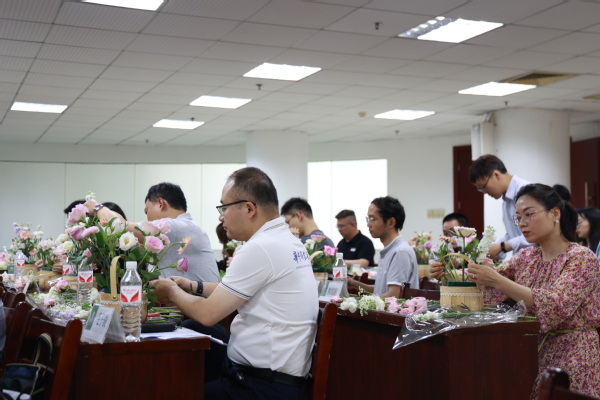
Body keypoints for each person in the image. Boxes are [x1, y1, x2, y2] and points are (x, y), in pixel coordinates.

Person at [151, 167, 318, 399]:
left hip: (261, 386)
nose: (221, 217)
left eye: (224, 207)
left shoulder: (260, 248)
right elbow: (234, 290)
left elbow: (208, 314)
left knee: (172, 387)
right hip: (277, 377)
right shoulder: (286, 240)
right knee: (191, 328)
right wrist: (192, 286)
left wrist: (171, 291)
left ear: (249, 208)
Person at [431, 183, 600, 399]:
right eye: (518, 217)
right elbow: (487, 289)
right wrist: (450, 276)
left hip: (573, 353)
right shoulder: (527, 257)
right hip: (532, 350)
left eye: (529, 214)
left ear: (555, 213)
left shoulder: (581, 258)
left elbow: (556, 305)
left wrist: (498, 280)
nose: (522, 223)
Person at [84, 183, 219, 283]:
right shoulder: (189, 227)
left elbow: (118, 225)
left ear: (160, 203)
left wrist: (96, 207)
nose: (147, 218)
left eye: (146, 211)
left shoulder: (173, 226)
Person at [347, 196, 418, 296]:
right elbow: (380, 290)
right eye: (368, 219)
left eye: (372, 219)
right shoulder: (389, 250)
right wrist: (354, 284)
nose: (368, 224)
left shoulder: (400, 252)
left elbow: (393, 295)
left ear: (391, 222)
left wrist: (358, 301)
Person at [469, 154, 532, 258]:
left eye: (483, 187)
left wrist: (502, 246)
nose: (484, 192)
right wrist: (490, 248)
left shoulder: (526, 191)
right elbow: (513, 235)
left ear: (496, 174)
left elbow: (537, 233)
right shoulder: (506, 201)